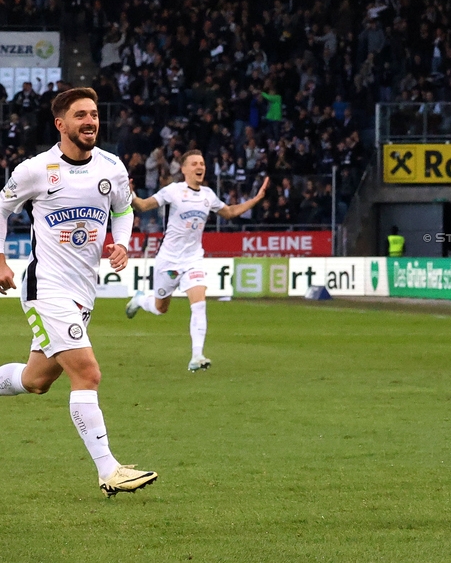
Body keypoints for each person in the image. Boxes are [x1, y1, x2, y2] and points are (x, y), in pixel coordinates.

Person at [0, 87, 157, 497]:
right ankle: (109, 469)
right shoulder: (36, 169)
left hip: (82, 291)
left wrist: (121, 242)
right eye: (80, 115)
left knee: (36, 381)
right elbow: (0, 208)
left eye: (93, 114)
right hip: (45, 286)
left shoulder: (111, 167)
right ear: (61, 124)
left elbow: (122, 208)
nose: (90, 121)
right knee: (87, 373)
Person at [124, 150, 268, 371]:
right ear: (183, 169)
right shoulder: (173, 191)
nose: (200, 167)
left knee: (199, 305)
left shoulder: (208, 195)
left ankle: (197, 356)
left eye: (202, 163)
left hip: (193, 259)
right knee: (160, 308)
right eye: (194, 163)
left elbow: (228, 212)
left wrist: (255, 200)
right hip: (169, 261)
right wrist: (131, 193)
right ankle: (141, 300)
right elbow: (143, 206)